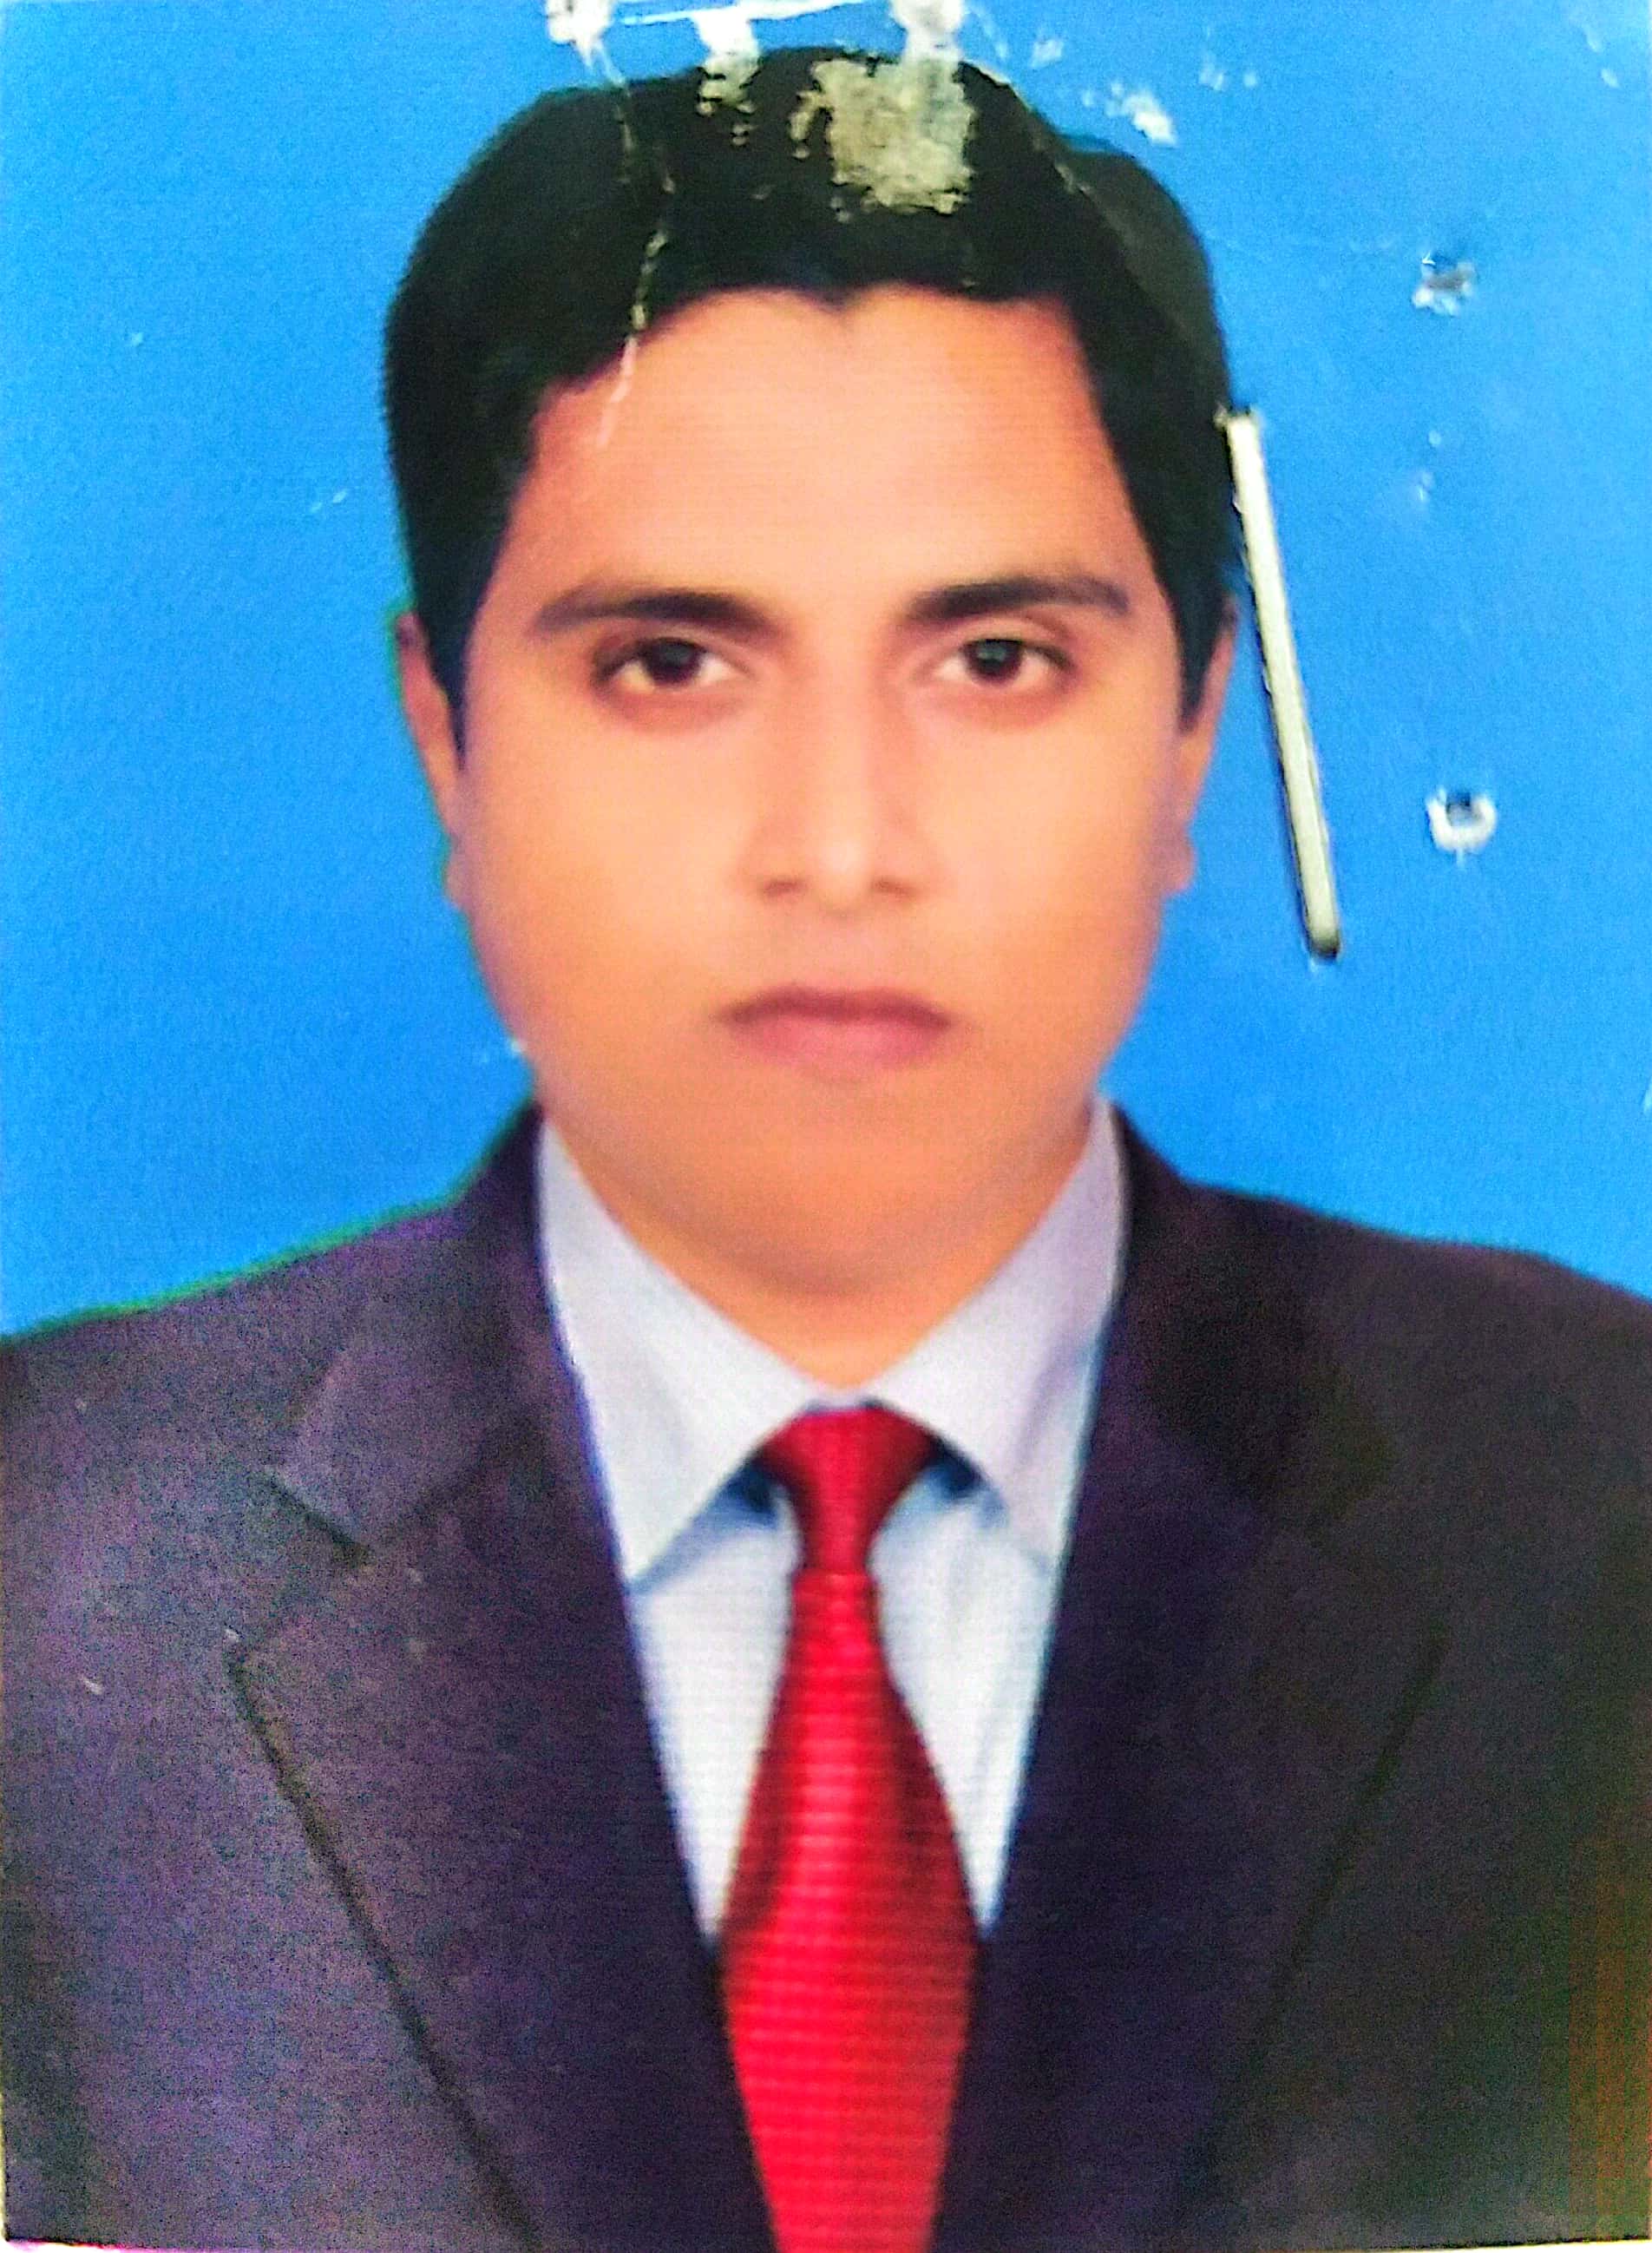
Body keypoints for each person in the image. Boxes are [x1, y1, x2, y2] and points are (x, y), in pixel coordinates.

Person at [4, 42, 1650, 2253]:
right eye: (673, 663)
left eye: (995, 656)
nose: (844, 845)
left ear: (1192, 730)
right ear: (448, 743)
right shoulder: (48, 1559)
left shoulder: (1599, 1504)